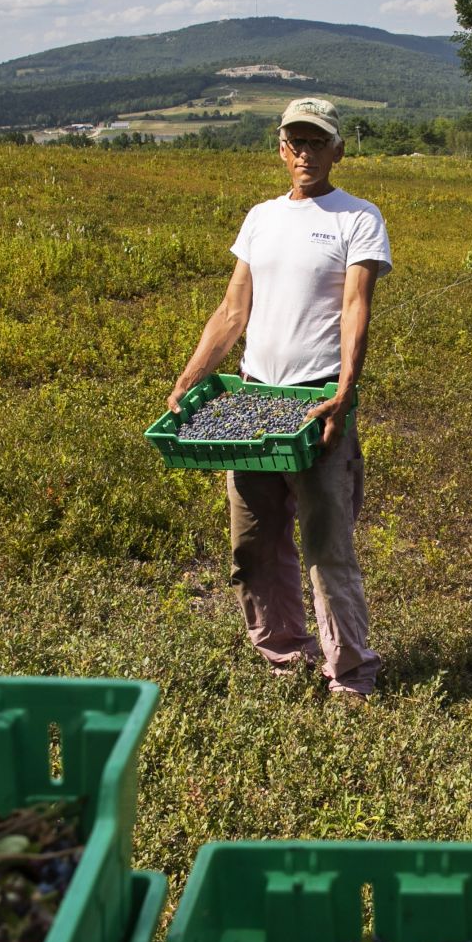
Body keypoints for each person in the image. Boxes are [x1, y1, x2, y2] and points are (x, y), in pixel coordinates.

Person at [167, 97, 392, 700]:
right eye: (296, 142)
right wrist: (190, 377)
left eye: (318, 142)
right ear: (280, 149)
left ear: (338, 150)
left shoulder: (358, 217)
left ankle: (350, 675)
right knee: (253, 542)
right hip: (252, 405)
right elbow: (233, 307)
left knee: (327, 547)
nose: (306, 154)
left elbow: (354, 308)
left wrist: (345, 392)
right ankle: (283, 653)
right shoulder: (260, 217)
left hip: (316, 406)